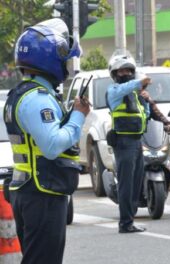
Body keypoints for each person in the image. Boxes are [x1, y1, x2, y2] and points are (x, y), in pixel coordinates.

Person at [3, 18, 90, 264]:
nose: (66, 67)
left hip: (33, 190)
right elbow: (52, 146)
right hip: (42, 193)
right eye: (64, 60)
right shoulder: (37, 99)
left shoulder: (24, 94)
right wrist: (78, 116)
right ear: (49, 60)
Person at [106, 53, 151, 233]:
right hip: (123, 143)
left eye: (129, 70)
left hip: (137, 141)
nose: (125, 73)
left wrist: (145, 99)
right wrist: (140, 83)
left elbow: (144, 112)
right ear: (115, 74)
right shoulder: (114, 91)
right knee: (126, 184)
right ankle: (125, 223)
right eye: (121, 70)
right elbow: (129, 86)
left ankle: (130, 219)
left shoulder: (135, 94)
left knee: (136, 182)